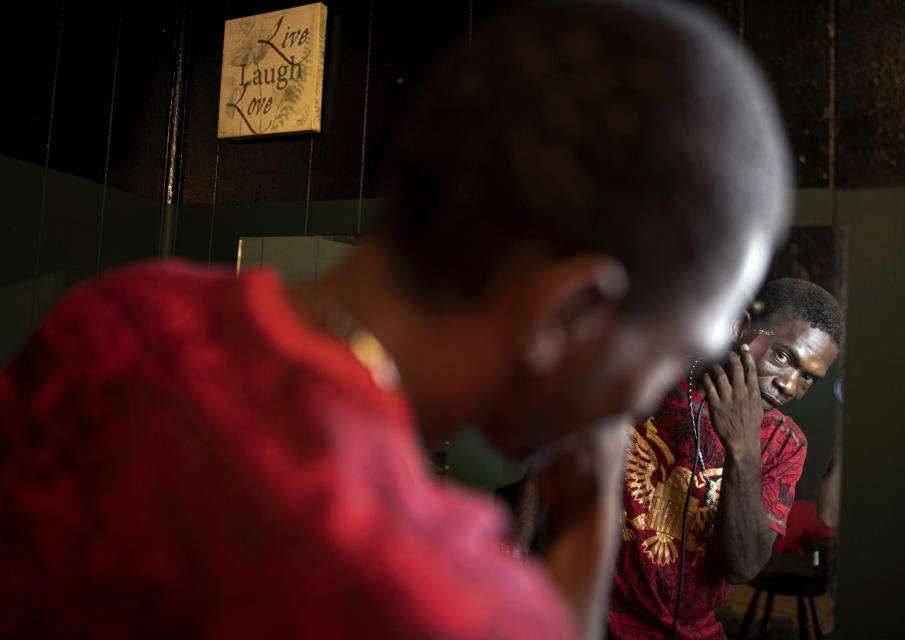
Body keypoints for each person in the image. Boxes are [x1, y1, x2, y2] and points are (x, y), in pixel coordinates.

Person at [0, 1, 792, 638]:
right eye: (674, 351)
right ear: (569, 313)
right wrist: (587, 530)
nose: (657, 388)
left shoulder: (117, 317)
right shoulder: (439, 596)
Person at [609, 278, 844, 640]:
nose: (790, 386)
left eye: (808, 378)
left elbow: (743, 567)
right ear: (741, 328)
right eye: (783, 356)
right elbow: (555, 454)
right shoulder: (647, 377)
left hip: (693, 631)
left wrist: (744, 448)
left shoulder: (785, 443)